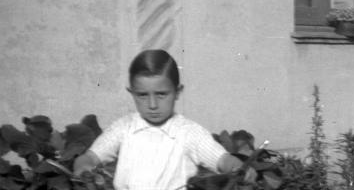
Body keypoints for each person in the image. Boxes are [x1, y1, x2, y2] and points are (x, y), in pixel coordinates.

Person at [73, 49, 254, 190]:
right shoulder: (123, 128)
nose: (152, 104)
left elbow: (222, 160)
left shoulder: (188, 132)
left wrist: (239, 168)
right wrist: (83, 169)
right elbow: (90, 157)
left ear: (177, 92)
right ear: (132, 93)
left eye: (161, 94)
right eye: (143, 95)